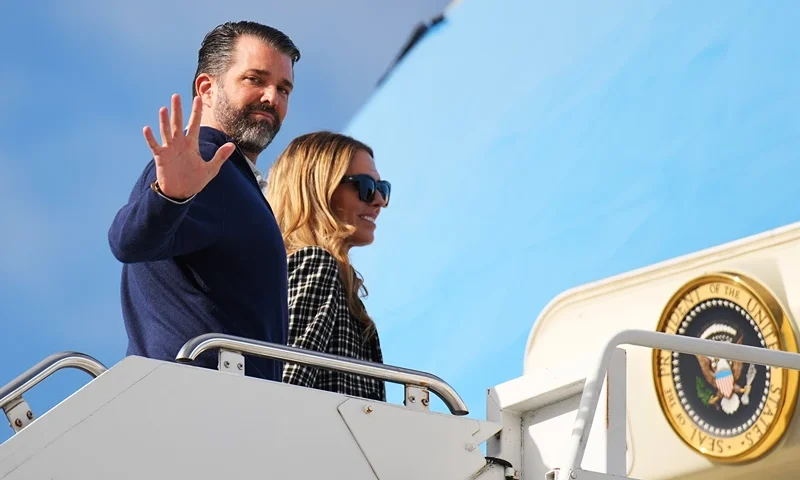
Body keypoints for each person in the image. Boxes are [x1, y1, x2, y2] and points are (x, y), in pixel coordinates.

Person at [107, 21, 301, 381]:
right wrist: (170, 197)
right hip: (202, 406)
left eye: (283, 88)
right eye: (255, 79)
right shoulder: (205, 166)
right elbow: (129, 240)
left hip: (226, 407)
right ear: (207, 89)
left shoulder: (234, 180)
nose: (272, 97)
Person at [265, 132, 391, 401]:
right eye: (366, 186)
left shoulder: (302, 268)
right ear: (319, 190)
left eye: (383, 189)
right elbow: (284, 389)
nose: (379, 200)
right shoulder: (315, 264)